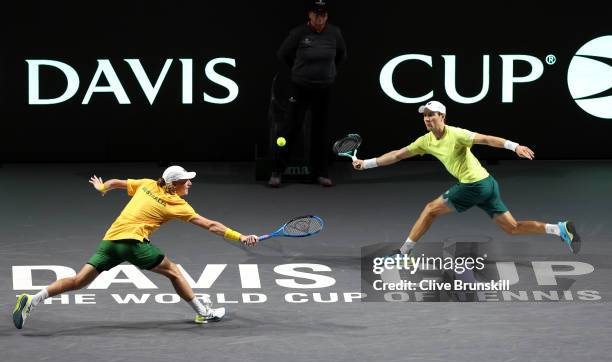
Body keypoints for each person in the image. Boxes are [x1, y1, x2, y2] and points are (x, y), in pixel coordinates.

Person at [12, 165, 259, 329]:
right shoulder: (177, 205)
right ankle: (203, 312)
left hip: (110, 240)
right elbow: (211, 225)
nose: (190, 183)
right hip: (133, 244)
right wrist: (240, 237)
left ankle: (32, 300)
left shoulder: (148, 184)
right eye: (186, 180)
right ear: (173, 185)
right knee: (173, 271)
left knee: (79, 281)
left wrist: (102, 187)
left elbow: (117, 182)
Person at [352, 100, 580, 256]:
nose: (427, 119)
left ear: (442, 116)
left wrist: (515, 146)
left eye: (432, 115)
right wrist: (367, 164)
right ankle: (559, 229)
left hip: (475, 185)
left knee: (430, 209)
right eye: (425, 116)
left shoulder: (457, 134)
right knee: (512, 227)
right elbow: (397, 155)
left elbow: (487, 139)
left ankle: (403, 253)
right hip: (488, 184)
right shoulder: (425, 141)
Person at [269, 0, 347, 187]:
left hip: (324, 88)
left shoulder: (334, 33)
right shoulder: (299, 33)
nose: (319, 18)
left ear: (326, 16)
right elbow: (283, 54)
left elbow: (341, 56)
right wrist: (299, 71)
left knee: (320, 131)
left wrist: (328, 73)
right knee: (290, 128)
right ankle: (277, 172)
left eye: (323, 15)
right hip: (300, 87)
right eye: (316, 14)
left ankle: (320, 174)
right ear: (310, 16)